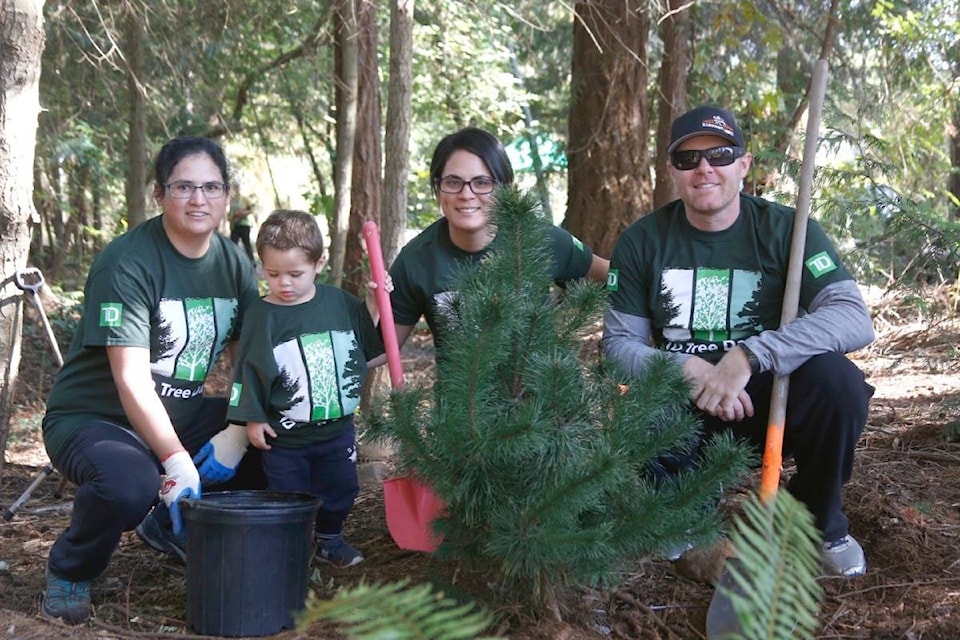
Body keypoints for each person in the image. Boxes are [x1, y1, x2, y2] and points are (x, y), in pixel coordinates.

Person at [601, 106, 875, 577]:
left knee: (840, 387)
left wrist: (750, 355)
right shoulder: (642, 241)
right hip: (684, 403)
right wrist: (693, 371)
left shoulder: (788, 230)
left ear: (743, 166)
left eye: (720, 155)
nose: (704, 168)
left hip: (771, 397)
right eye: (687, 159)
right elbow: (619, 345)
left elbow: (853, 317)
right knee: (638, 408)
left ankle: (814, 522)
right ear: (672, 172)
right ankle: (689, 527)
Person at [40, 136, 263, 624]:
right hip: (98, 420)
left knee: (272, 438)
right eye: (184, 187)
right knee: (127, 483)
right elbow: (131, 379)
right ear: (160, 195)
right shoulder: (128, 262)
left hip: (179, 415)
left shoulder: (233, 262)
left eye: (211, 187)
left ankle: (169, 525)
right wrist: (176, 458)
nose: (199, 199)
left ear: (227, 196)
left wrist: (236, 428)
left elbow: (249, 357)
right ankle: (70, 568)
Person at [227, 210, 386, 568]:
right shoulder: (262, 315)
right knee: (287, 493)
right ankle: (289, 547)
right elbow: (248, 368)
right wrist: (251, 418)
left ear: (319, 263)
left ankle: (330, 538)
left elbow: (363, 341)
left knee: (341, 487)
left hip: (336, 429)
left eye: (295, 274)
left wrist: (375, 304)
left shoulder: (338, 302)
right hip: (286, 436)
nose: (284, 283)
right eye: (273, 274)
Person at [387, 127, 609, 353]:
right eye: (453, 182)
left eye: (482, 182)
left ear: (505, 188)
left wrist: (626, 329)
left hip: (542, 387)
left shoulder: (539, 237)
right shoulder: (416, 260)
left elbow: (614, 277)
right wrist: (371, 306)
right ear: (438, 187)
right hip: (466, 388)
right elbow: (382, 348)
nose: (466, 194)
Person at [229, 182, 256, 262]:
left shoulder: (245, 199)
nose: (235, 189)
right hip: (234, 225)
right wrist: (230, 217)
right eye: (234, 188)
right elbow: (231, 212)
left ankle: (252, 261)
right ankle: (234, 263)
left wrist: (242, 213)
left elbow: (252, 209)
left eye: (237, 187)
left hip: (244, 225)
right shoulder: (232, 200)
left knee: (246, 244)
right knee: (233, 244)